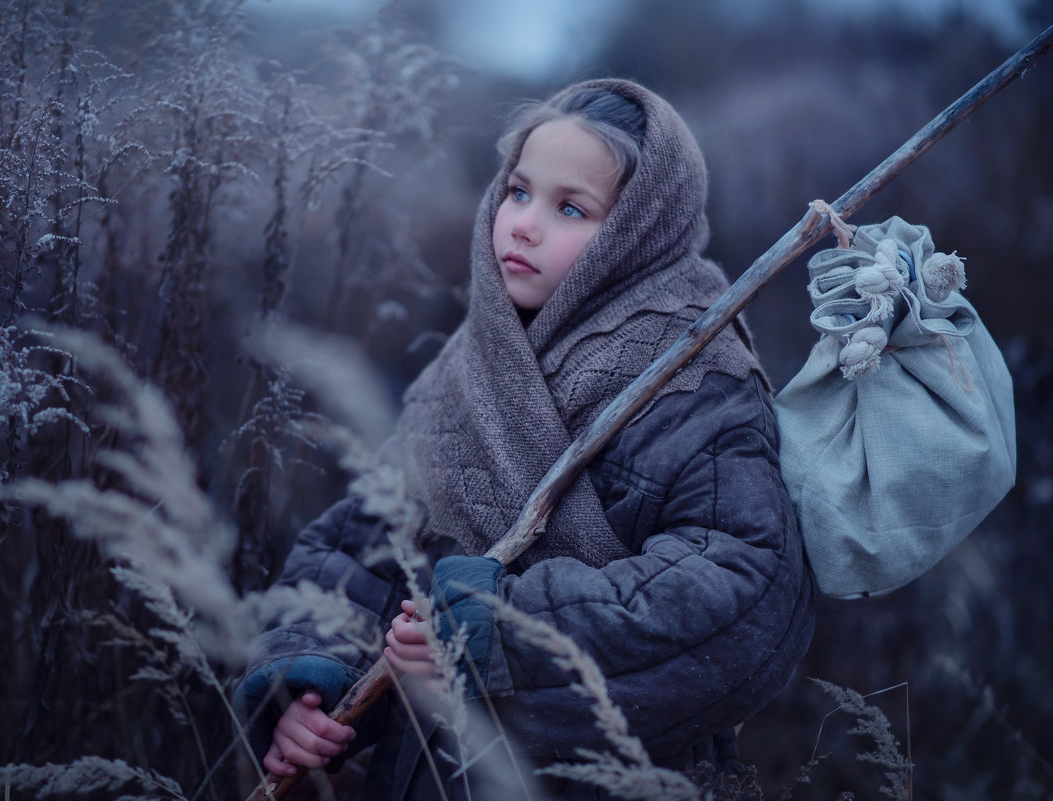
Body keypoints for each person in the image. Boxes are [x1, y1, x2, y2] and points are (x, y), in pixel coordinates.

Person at [240, 78, 815, 800]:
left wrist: (496, 627)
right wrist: (311, 687)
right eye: (517, 192)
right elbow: (359, 547)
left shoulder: (696, 377)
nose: (523, 224)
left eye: (570, 207)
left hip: (607, 779)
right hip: (434, 774)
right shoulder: (473, 363)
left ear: (641, 230)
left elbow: (739, 585)